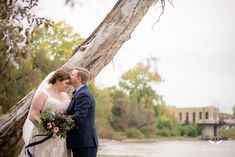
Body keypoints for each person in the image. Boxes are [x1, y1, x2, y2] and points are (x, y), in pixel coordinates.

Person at [21, 69, 72, 157]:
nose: (67, 86)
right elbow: (32, 115)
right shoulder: (43, 94)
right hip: (43, 135)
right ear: (58, 81)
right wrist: (47, 127)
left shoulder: (66, 96)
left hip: (59, 138)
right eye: (66, 83)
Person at [66, 67, 99, 157]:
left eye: (72, 75)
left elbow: (78, 117)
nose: (69, 77)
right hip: (80, 142)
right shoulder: (78, 92)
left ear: (78, 79)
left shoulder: (83, 94)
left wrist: (59, 120)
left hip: (85, 143)